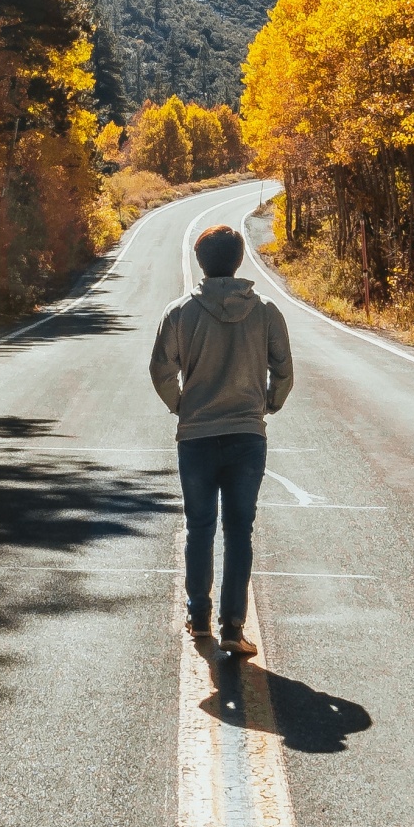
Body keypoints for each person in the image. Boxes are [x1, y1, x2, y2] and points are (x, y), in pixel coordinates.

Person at [150, 222, 293, 654]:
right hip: (247, 435)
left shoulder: (179, 312)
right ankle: (232, 626)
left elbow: (161, 370)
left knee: (199, 527)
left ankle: (198, 618)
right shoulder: (266, 311)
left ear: (200, 262)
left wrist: (181, 405)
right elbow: (283, 369)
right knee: (239, 530)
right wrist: (269, 404)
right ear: (240, 259)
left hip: (196, 436)